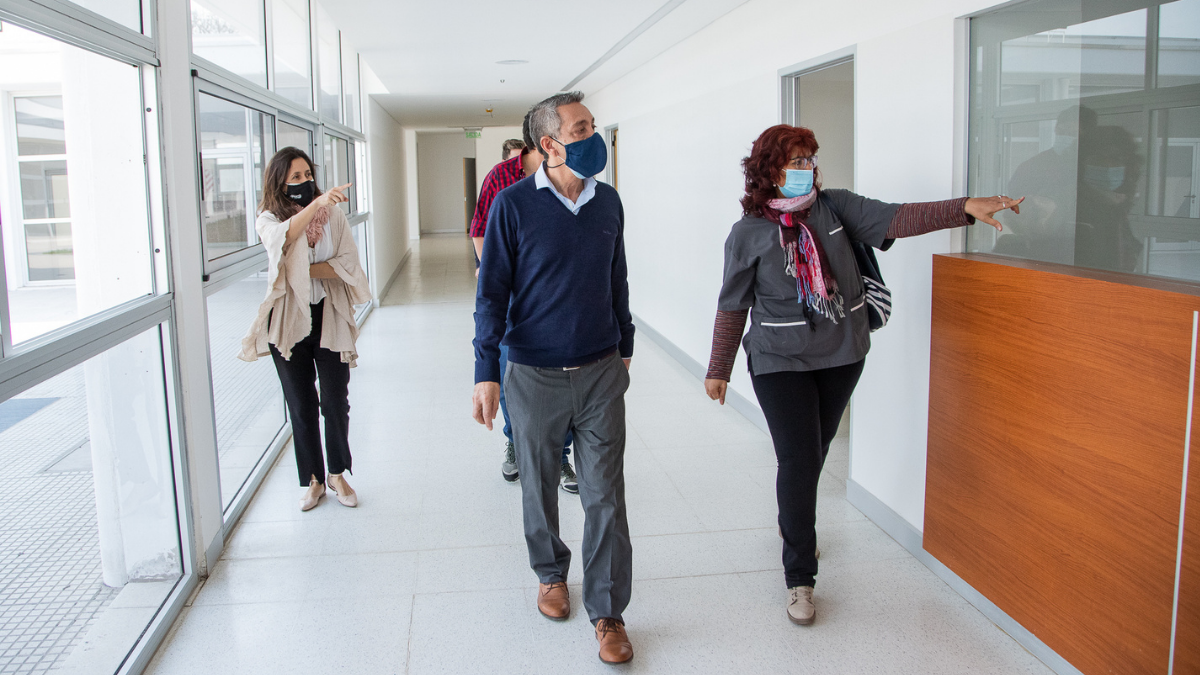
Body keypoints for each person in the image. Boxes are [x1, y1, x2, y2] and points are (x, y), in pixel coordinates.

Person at [703, 124, 1020, 626]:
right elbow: (732, 304)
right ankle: (799, 577)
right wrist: (719, 367)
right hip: (778, 359)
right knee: (799, 456)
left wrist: (964, 207)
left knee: (814, 452)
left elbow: (899, 218)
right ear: (768, 170)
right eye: (795, 161)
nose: (806, 169)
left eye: (810, 159)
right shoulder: (747, 233)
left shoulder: (836, 208)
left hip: (842, 352)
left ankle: (793, 521)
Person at [471, 91, 636, 664]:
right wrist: (484, 370)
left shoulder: (608, 202)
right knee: (539, 485)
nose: (594, 135)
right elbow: (490, 294)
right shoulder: (512, 207)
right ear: (550, 143)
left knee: (604, 494)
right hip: (533, 373)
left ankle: (609, 611)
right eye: (583, 127)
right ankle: (550, 574)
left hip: (599, 371)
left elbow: (617, 278)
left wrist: (626, 346)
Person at [239, 146, 371, 512]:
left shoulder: (334, 215)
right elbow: (281, 239)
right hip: (286, 320)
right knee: (301, 404)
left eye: (307, 175)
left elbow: (347, 263)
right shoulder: (266, 218)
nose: (304, 182)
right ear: (279, 183)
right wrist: (316, 208)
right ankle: (314, 480)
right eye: (295, 178)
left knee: (334, 400)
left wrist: (301, 270)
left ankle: (337, 473)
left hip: (328, 313)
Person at [470, 117, 578, 493]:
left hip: (559, 297)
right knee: (513, 374)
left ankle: (561, 455)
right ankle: (516, 443)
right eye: (576, 132)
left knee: (564, 381)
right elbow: (479, 229)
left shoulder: (572, 180)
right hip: (514, 295)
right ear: (545, 142)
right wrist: (496, 275)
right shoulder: (502, 179)